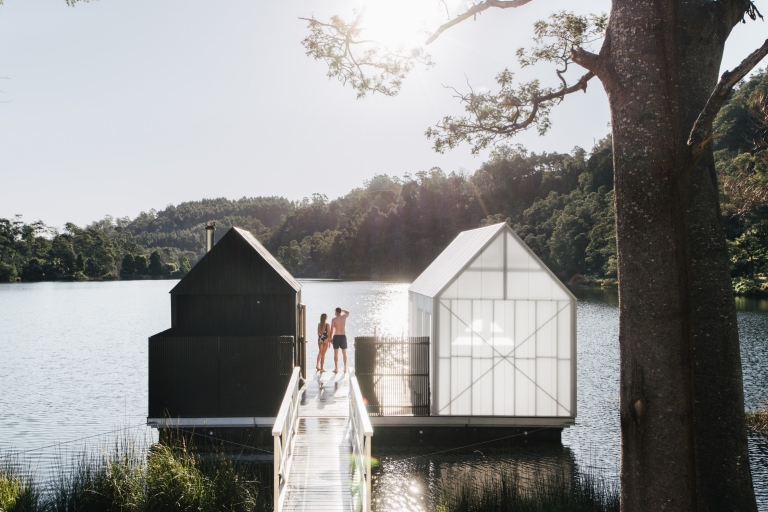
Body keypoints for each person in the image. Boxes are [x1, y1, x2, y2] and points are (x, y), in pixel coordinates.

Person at [330, 307, 349, 373]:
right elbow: (347, 312)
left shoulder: (334, 319)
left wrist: (330, 338)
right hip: (343, 336)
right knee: (344, 352)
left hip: (336, 336)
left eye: (335, 311)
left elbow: (331, 329)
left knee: (336, 353)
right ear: (340, 312)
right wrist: (342, 310)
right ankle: (345, 368)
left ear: (336, 312)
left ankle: (336, 368)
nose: (335, 313)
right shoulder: (344, 317)